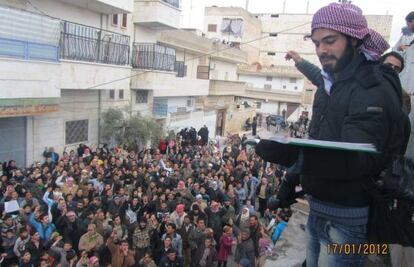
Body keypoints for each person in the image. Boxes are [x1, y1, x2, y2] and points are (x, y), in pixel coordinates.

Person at [258, 2, 410, 266]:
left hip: (346, 218)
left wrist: (293, 155)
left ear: (354, 39)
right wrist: (289, 182)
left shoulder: (370, 88)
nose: (321, 50)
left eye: (329, 40)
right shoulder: (331, 84)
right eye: (316, 43)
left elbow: (358, 159)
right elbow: (318, 140)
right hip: (319, 207)